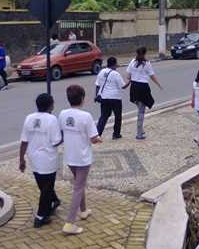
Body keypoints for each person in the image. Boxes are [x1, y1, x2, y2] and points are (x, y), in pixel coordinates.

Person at [58, 85, 102, 235]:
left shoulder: (63, 114)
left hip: (69, 156)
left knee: (79, 182)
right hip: (83, 158)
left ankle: (83, 210)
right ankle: (70, 223)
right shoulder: (86, 116)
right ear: (82, 98)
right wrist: (98, 139)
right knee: (78, 187)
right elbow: (93, 138)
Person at [19, 93, 62, 228]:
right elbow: (56, 142)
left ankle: (54, 200)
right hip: (48, 160)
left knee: (44, 186)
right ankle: (41, 216)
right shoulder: (52, 119)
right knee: (46, 188)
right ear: (50, 105)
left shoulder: (29, 118)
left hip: (34, 159)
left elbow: (24, 141)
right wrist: (64, 136)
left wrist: (21, 159)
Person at [125, 47, 163, 140]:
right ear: (145, 53)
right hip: (143, 87)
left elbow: (128, 76)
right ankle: (139, 134)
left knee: (140, 108)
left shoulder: (132, 62)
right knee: (141, 111)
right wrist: (158, 84)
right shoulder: (147, 63)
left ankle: (141, 130)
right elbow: (151, 76)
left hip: (134, 87)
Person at [95, 57, 127, 140]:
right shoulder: (116, 74)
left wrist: (97, 95)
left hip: (104, 97)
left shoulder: (101, 72)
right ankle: (116, 134)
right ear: (114, 64)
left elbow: (97, 85)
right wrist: (130, 81)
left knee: (103, 116)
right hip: (115, 98)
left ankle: (98, 134)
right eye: (116, 64)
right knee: (118, 116)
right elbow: (123, 86)